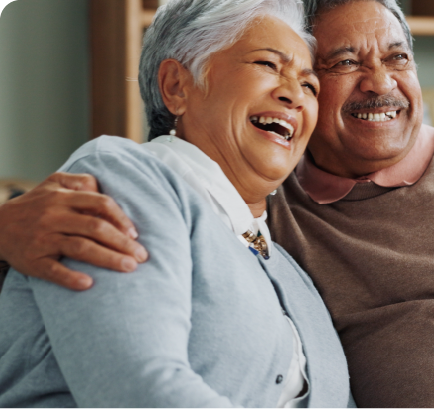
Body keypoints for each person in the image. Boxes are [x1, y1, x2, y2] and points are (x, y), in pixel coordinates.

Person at [0, 0, 434, 407]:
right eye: (340, 63)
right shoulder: (238, 203)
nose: (381, 82)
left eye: (398, 57)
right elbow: (133, 375)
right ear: (177, 83)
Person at [0, 0, 356, 408]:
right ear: (176, 86)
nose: (294, 94)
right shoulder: (125, 180)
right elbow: (138, 392)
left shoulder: (293, 274)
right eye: (267, 65)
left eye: (309, 86)